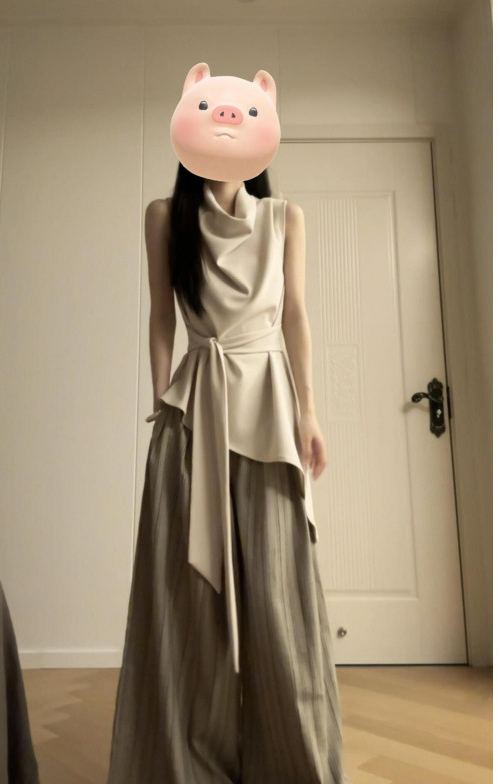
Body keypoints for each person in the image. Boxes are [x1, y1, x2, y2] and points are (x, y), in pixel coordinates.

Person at [105, 162, 349, 784]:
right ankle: (185, 767)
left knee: (279, 594)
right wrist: (161, 400)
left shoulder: (285, 217)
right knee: (183, 597)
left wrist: (309, 412)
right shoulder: (165, 216)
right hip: (193, 410)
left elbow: (295, 314)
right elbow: (162, 313)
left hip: (269, 410)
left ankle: (293, 766)